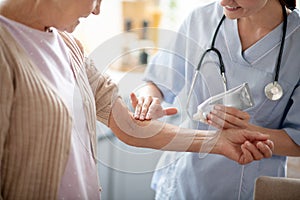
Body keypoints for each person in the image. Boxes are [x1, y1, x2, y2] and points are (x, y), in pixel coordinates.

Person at [0, 0, 274, 199]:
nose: (97, 10)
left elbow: (128, 126)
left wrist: (218, 142)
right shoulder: (5, 49)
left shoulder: (68, 46)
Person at [132, 0, 300, 199]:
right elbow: (156, 82)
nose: (224, 1)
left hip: (246, 189)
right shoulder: (200, 20)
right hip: (182, 182)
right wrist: (149, 101)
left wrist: (248, 133)